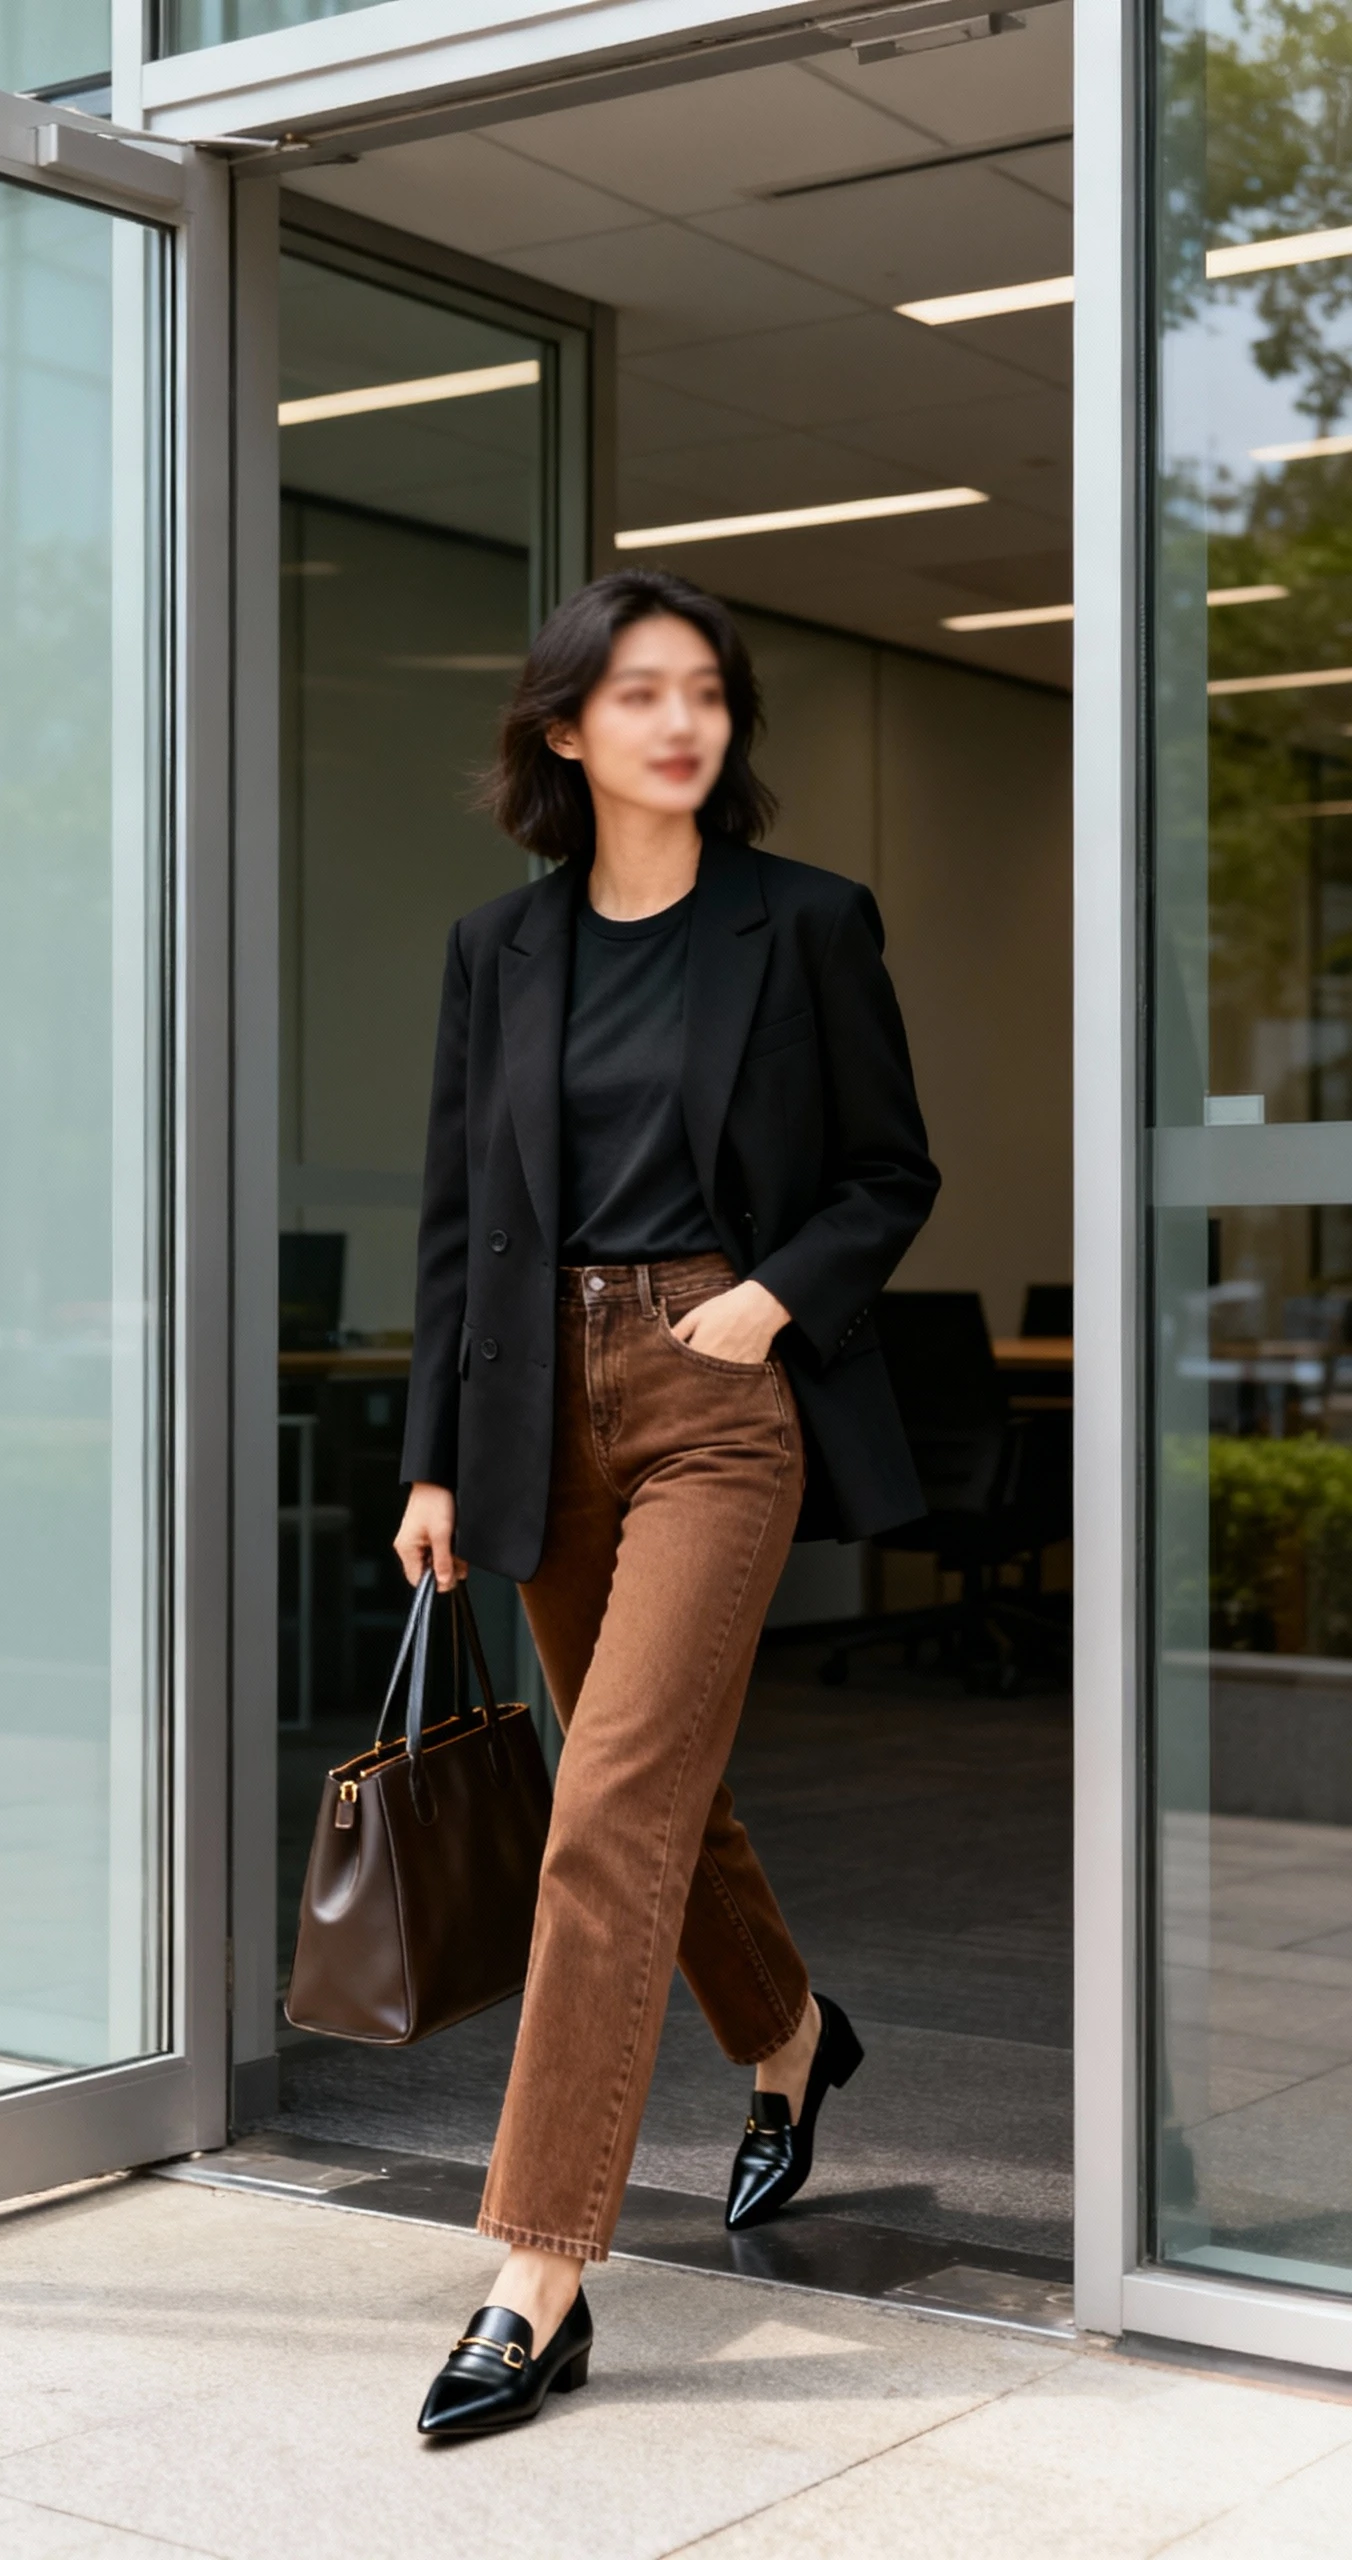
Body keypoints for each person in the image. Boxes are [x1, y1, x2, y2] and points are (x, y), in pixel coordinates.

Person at [395, 567, 938, 2439]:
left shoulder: (806, 929)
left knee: (609, 1806)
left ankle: (537, 2274)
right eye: (637, 694)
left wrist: (773, 1298)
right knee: (644, 1787)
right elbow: (462, 1221)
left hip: (719, 1391)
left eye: (704, 691)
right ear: (565, 731)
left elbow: (889, 1172)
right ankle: (792, 2041)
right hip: (536, 1402)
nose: (680, 720)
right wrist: (436, 1454)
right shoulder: (500, 950)